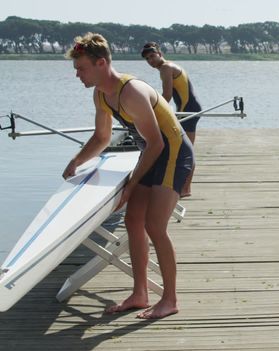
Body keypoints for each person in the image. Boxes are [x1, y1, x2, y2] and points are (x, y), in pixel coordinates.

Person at [63, 33, 194, 319]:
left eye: (81, 68)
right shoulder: (100, 94)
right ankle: (140, 293)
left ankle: (170, 299)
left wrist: (131, 184)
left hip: (173, 153)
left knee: (155, 225)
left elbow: (158, 143)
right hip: (153, 152)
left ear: (101, 63)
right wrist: (76, 161)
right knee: (133, 220)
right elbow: (101, 137)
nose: (77, 74)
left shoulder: (131, 92)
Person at [141, 42, 202, 198]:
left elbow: (166, 95)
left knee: (186, 150)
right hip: (189, 108)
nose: (150, 61)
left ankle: (185, 188)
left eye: (152, 56)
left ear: (160, 53)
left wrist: (153, 112)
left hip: (188, 110)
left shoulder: (166, 68)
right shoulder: (170, 66)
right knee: (185, 148)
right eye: (147, 59)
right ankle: (183, 186)